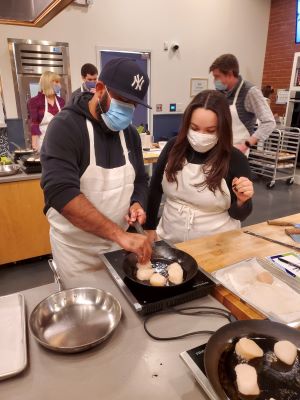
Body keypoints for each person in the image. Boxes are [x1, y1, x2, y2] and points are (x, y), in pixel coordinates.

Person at [40, 58, 152, 284]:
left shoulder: (130, 135)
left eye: (133, 104)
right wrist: (120, 234)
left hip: (118, 248)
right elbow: (60, 192)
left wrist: (137, 202)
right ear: (99, 89)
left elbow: (140, 179)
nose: (127, 110)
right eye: (122, 100)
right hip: (78, 254)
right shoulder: (65, 127)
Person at [144, 90, 254, 245]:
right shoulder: (173, 148)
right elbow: (155, 189)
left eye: (210, 130)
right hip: (169, 239)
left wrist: (242, 201)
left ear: (222, 129)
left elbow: (239, 215)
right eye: (194, 128)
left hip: (216, 245)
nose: (200, 135)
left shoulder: (235, 159)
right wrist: (149, 228)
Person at [209, 54, 276, 154]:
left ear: (230, 74)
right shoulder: (219, 92)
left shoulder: (250, 92)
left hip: (237, 151)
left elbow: (269, 122)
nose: (215, 81)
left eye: (217, 77)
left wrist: (246, 145)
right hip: (217, 148)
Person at [28, 71, 65, 151]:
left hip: (61, 140)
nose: (59, 85)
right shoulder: (35, 101)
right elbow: (34, 124)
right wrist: (34, 145)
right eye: (57, 82)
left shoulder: (61, 101)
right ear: (48, 83)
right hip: (43, 142)